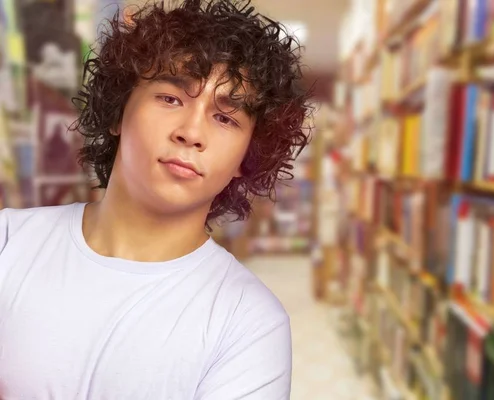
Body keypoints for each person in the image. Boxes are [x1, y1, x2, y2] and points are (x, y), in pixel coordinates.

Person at [0, 0, 311, 398]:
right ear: (118, 113)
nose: (191, 132)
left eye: (225, 117)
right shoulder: (10, 241)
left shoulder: (249, 322)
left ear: (245, 157)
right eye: (170, 98)